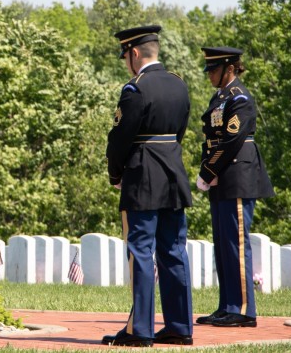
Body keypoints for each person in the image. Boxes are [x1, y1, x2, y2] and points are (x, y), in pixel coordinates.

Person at [102, 26, 194, 347]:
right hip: (174, 174)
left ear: (135, 54)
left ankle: (139, 330)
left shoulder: (135, 89)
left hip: (142, 177)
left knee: (140, 251)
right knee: (173, 251)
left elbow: (119, 140)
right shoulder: (179, 85)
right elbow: (180, 131)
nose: (126, 61)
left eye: (126, 55)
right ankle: (180, 326)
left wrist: (116, 174)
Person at [195, 47, 274, 328]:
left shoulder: (239, 98)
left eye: (213, 70)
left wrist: (207, 170)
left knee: (236, 245)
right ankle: (227, 305)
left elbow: (231, 139)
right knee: (223, 244)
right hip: (223, 175)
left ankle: (243, 310)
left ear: (229, 68)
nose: (209, 76)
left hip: (237, 175)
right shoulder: (220, 98)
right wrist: (210, 170)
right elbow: (213, 139)